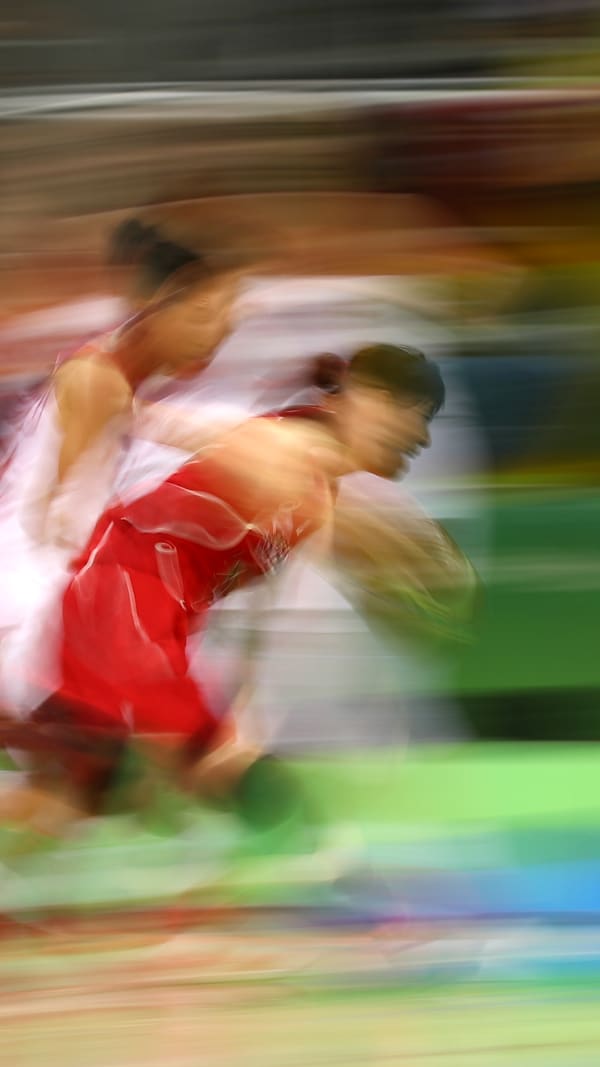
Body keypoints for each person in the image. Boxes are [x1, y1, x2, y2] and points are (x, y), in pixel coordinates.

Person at [0, 343, 448, 836]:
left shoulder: (319, 492)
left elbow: (258, 617)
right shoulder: (287, 448)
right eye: (415, 415)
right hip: (124, 616)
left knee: (79, 801)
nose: (421, 437)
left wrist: (239, 711)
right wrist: (131, 408)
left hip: (140, 623)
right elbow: (201, 434)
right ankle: (309, 865)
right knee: (251, 792)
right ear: (370, 399)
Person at [0, 220, 248, 715]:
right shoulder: (98, 380)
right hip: (28, 593)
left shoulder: (118, 378)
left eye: (228, 317)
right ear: (154, 308)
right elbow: (55, 524)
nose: (218, 333)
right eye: (202, 315)